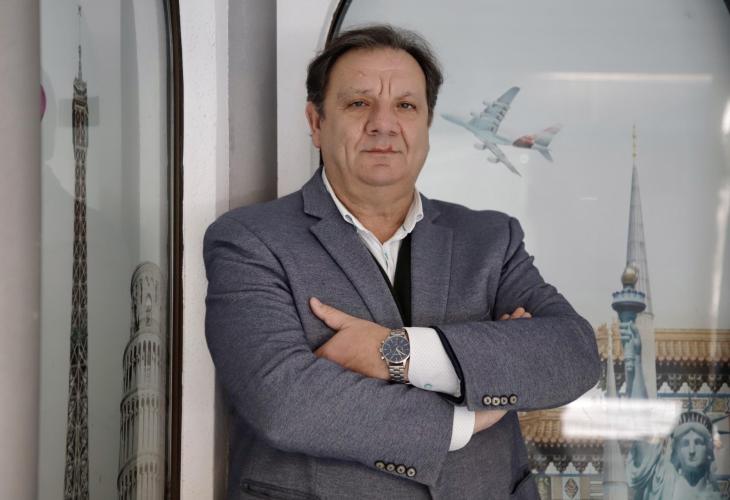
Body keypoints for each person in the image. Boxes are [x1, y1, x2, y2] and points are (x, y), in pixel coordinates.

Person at [204, 24, 600, 499]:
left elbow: (573, 355)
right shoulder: (249, 241)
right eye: (359, 103)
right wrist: (468, 414)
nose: (383, 124)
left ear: (426, 125)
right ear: (316, 122)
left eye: (406, 106)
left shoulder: (491, 239)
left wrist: (394, 352)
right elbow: (285, 403)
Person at [628, 410, 722, 499]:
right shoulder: (662, 484)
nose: (692, 451)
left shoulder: (714, 495)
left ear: (708, 448)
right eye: (685, 443)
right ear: (677, 449)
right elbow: (644, 461)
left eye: (698, 442)